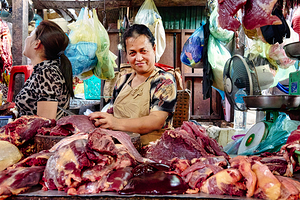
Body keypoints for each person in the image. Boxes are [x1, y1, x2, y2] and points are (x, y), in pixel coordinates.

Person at [88, 24, 177, 145]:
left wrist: (115, 123)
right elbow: (111, 111)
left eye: (143, 51)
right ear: (127, 55)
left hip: (152, 149)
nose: (139, 58)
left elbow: (156, 121)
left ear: (154, 49)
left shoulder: (163, 80)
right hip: (120, 145)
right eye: (132, 53)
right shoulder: (122, 81)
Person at [15, 20, 74, 119]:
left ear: (37, 44)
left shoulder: (47, 74)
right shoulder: (44, 71)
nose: (27, 38)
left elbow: (45, 125)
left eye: (30, 35)